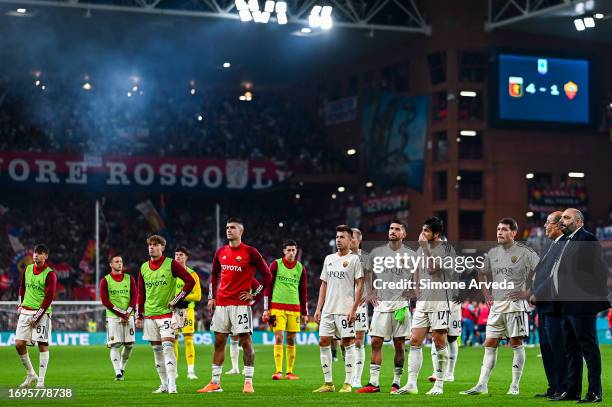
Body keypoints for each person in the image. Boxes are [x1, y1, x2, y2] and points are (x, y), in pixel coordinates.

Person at [461, 218, 539, 396]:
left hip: (515, 306)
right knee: (490, 343)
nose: (499, 232)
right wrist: (487, 294)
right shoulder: (492, 253)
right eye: (498, 229)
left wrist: (527, 293)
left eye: (504, 229)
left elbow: (541, 270)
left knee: (515, 343)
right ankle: (482, 385)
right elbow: (481, 273)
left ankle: (514, 386)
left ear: (514, 232)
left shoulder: (525, 252)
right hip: (496, 307)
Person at [198, 218, 272, 394]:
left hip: (240, 305)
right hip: (222, 305)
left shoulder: (250, 252)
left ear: (241, 231)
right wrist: (211, 297)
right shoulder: (220, 252)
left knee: (246, 343)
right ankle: (215, 382)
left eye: (232, 228)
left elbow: (267, 276)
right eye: (227, 228)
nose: (228, 230)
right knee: (219, 343)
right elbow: (214, 275)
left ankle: (248, 381)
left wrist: (254, 295)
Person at [396, 216, 457, 396]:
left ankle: (439, 384)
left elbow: (432, 268)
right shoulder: (421, 250)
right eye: (422, 230)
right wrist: (416, 292)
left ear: (436, 234)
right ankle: (411, 384)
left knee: (439, 342)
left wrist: (425, 248)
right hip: (423, 302)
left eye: (427, 231)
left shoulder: (446, 249)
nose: (422, 235)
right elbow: (417, 270)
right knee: (414, 341)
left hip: (439, 301)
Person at [554, 208, 610, 403]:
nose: (562, 221)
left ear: (578, 222)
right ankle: (573, 390)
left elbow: (598, 271)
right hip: (566, 304)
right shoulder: (564, 242)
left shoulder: (587, 239)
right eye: (561, 218)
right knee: (571, 349)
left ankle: (595, 392)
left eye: (567, 218)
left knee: (588, 349)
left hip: (582, 304)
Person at [357, 221, 414, 394]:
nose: (393, 231)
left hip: (400, 306)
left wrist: (413, 292)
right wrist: (370, 292)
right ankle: (374, 383)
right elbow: (366, 272)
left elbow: (419, 277)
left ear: (404, 233)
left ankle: (396, 383)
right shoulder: (378, 252)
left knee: (399, 345)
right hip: (381, 305)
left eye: (397, 229)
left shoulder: (411, 255)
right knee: (375, 342)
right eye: (390, 228)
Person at [135, 234, 195, 394]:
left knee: (168, 348)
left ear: (162, 247)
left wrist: (176, 299)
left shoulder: (171, 264)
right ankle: (163, 384)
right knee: (157, 352)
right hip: (149, 316)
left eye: (155, 245)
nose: (151, 247)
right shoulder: (143, 267)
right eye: (150, 245)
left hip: (167, 315)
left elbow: (190, 281)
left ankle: (173, 385)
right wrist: (139, 315)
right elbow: (141, 292)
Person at [312, 225, 364, 393]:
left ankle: (348, 383)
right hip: (328, 309)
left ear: (350, 240)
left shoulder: (355, 259)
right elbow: (324, 285)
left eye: (342, 237)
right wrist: (319, 308)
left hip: (345, 309)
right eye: (337, 237)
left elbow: (360, 286)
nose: (338, 240)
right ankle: (328, 383)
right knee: (323, 341)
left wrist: (354, 309)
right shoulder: (329, 259)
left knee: (348, 342)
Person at [530, 213, 567, 399]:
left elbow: (554, 275)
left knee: (557, 346)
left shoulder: (563, 245)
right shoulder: (551, 246)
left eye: (548, 223)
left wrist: (537, 293)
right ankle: (554, 386)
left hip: (554, 305)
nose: (545, 226)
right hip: (544, 306)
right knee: (546, 346)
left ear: (559, 225)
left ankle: (563, 386)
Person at [263, 240, 308, 380]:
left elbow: (303, 291)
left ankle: (289, 372)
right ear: (284, 251)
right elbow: (268, 287)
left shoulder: (300, 268)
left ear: (296, 251)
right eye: (288, 250)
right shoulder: (276, 264)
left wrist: (305, 313)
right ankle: (278, 371)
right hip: (277, 307)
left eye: (293, 250)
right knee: (279, 337)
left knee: (291, 339)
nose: (291, 253)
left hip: (294, 309)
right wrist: (266, 308)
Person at [15, 244, 57, 389]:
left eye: (40, 253)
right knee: (19, 344)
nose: (36, 255)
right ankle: (31, 374)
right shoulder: (27, 269)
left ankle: (41, 381)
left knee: (42, 345)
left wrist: (38, 316)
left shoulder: (50, 274)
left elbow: (49, 297)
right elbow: (22, 288)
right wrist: (20, 305)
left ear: (45, 256)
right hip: (25, 311)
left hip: (42, 313)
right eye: (35, 253)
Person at [100, 254, 136, 381]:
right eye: (116, 261)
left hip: (129, 315)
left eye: (121, 261)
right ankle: (117, 372)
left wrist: (128, 313)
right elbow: (106, 301)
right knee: (115, 345)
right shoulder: (105, 280)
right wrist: (122, 314)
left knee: (129, 345)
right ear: (111, 264)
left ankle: (122, 367)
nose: (120, 263)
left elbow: (134, 297)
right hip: (113, 317)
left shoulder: (129, 278)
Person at [173, 246, 202, 380]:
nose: (178, 257)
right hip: (172, 310)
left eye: (181, 255)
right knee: (173, 340)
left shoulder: (192, 274)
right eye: (176, 255)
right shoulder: (169, 274)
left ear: (186, 257)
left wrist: (181, 297)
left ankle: (191, 371)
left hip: (187, 310)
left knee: (188, 339)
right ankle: (174, 370)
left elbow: (198, 296)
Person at [349, 228, 369, 388]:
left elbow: (371, 280)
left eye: (353, 238)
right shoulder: (342, 257)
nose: (350, 240)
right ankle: (350, 372)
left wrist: (368, 295)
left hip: (360, 304)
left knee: (358, 340)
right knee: (344, 342)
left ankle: (356, 378)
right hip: (343, 303)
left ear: (359, 240)